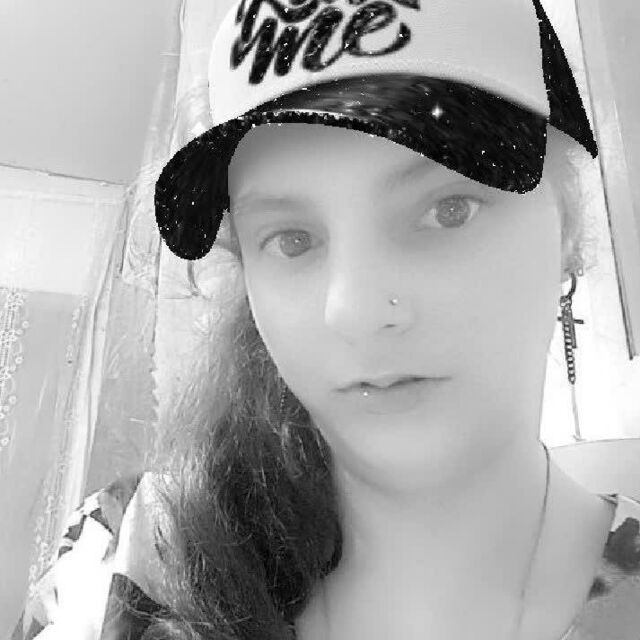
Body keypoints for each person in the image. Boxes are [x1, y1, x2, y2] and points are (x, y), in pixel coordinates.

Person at [12, 0, 640, 639]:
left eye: (448, 210)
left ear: (567, 223)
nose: (354, 311)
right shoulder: (123, 568)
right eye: (292, 240)